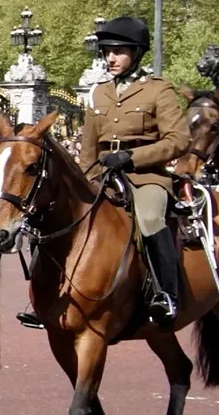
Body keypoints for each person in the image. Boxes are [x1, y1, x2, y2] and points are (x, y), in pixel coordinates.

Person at [74, 16, 190, 318]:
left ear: (137, 52)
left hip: (145, 175)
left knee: (150, 217)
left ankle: (166, 292)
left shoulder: (158, 90)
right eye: (106, 51)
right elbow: (88, 148)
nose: (110, 58)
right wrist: (84, 179)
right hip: (103, 174)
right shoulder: (99, 92)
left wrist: (131, 158)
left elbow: (178, 140)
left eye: (119, 51)